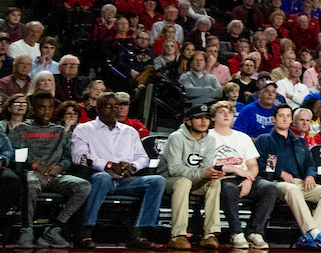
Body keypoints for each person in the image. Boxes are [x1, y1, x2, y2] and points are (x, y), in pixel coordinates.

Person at [72, 92, 166, 249]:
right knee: (102, 177)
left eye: (117, 107)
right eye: (108, 107)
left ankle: (138, 233)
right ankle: (85, 232)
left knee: (157, 181)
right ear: (98, 109)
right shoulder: (84, 129)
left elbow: (143, 158)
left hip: (126, 181)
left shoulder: (129, 132)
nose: (114, 110)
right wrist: (109, 165)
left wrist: (132, 166)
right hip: (97, 180)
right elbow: (79, 157)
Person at [11, 93, 93, 248]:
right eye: (42, 107)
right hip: (33, 174)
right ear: (32, 110)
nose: (46, 111)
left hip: (56, 176)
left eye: (50, 108)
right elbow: (16, 155)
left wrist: (60, 166)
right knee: (32, 182)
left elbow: (69, 157)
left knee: (84, 186)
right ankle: (26, 230)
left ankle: (54, 230)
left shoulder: (61, 131)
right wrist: (35, 165)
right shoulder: (20, 129)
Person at [256, 104, 321, 250]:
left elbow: (310, 163)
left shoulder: (299, 141)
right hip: (277, 183)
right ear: (273, 119)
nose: (285, 119)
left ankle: (310, 235)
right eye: (281, 116)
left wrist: (310, 176)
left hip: (301, 182)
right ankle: (315, 233)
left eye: (288, 116)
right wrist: (280, 172)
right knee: (292, 189)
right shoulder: (265, 139)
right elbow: (259, 163)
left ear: (291, 121)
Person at [210, 101, 278, 250]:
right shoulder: (208, 137)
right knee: (229, 189)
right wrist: (234, 169)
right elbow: (208, 166)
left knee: (270, 188)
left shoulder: (242, 137)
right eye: (222, 112)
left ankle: (255, 232)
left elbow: (253, 165)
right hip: (222, 178)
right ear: (213, 117)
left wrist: (249, 179)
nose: (227, 114)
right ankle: (237, 232)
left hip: (246, 177)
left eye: (229, 112)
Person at [159, 103, 222, 250]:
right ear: (188, 121)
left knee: (215, 182)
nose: (204, 121)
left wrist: (212, 173)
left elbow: (205, 167)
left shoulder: (210, 140)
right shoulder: (176, 137)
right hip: (167, 181)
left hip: (192, 181)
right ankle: (178, 235)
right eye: (199, 118)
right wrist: (202, 173)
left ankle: (209, 234)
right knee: (183, 182)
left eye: (206, 118)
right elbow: (174, 170)